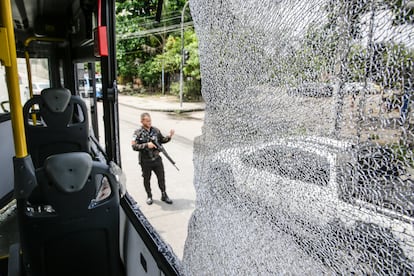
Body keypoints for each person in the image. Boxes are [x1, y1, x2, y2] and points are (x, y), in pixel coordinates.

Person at [131, 112, 175, 205]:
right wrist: (147, 145)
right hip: (145, 161)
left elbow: (162, 140)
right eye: (147, 121)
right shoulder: (137, 133)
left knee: (161, 178)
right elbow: (134, 146)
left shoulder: (156, 130)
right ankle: (149, 196)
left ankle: (164, 194)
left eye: (150, 120)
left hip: (156, 159)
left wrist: (169, 136)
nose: (149, 122)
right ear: (142, 121)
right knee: (147, 179)